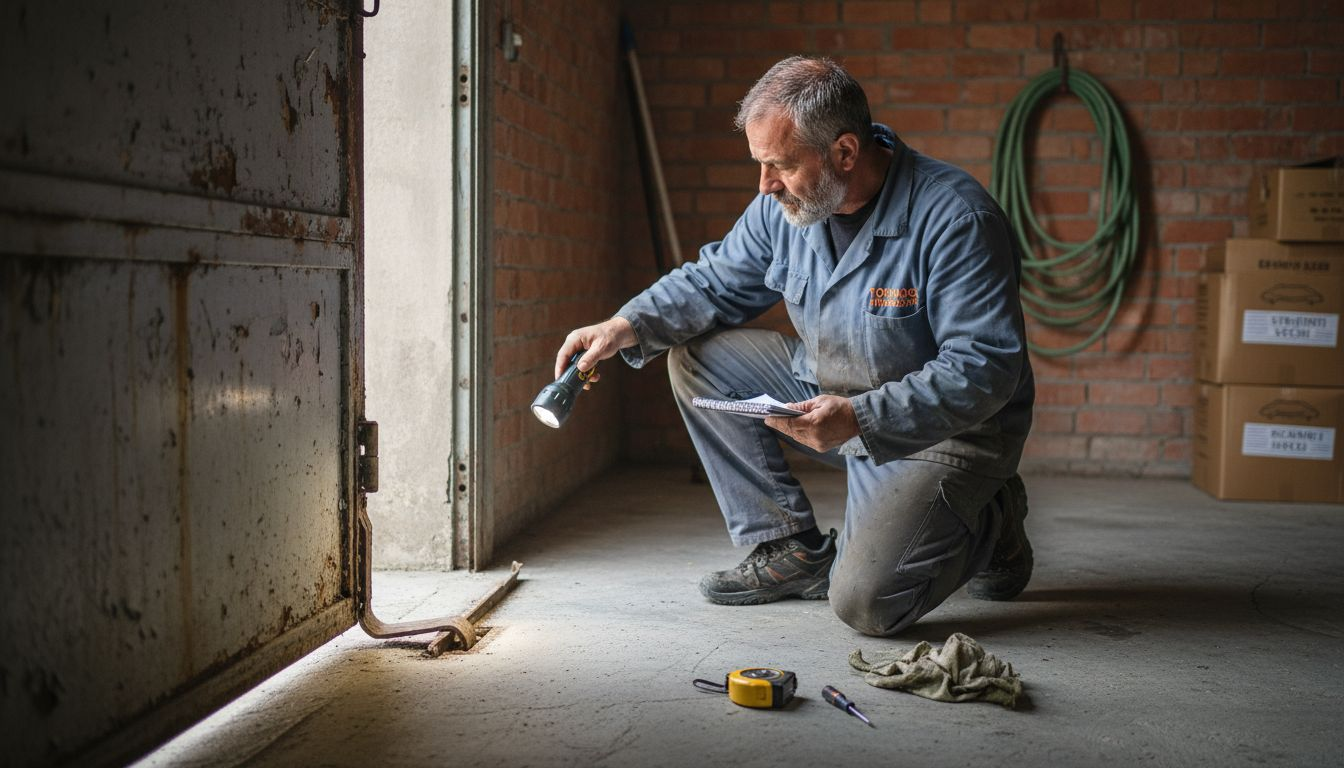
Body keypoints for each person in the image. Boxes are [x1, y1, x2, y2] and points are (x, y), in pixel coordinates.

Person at [553, 56, 1035, 637]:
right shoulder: (786, 207)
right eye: (760, 165)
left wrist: (861, 416)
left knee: (866, 604)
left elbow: (984, 368)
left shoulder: (955, 217)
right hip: (830, 394)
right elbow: (714, 280)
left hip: (941, 434)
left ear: (845, 154)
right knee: (699, 357)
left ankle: (994, 519)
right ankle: (788, 549)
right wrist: (623, 325)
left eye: (779, 165)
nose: (764, 185)